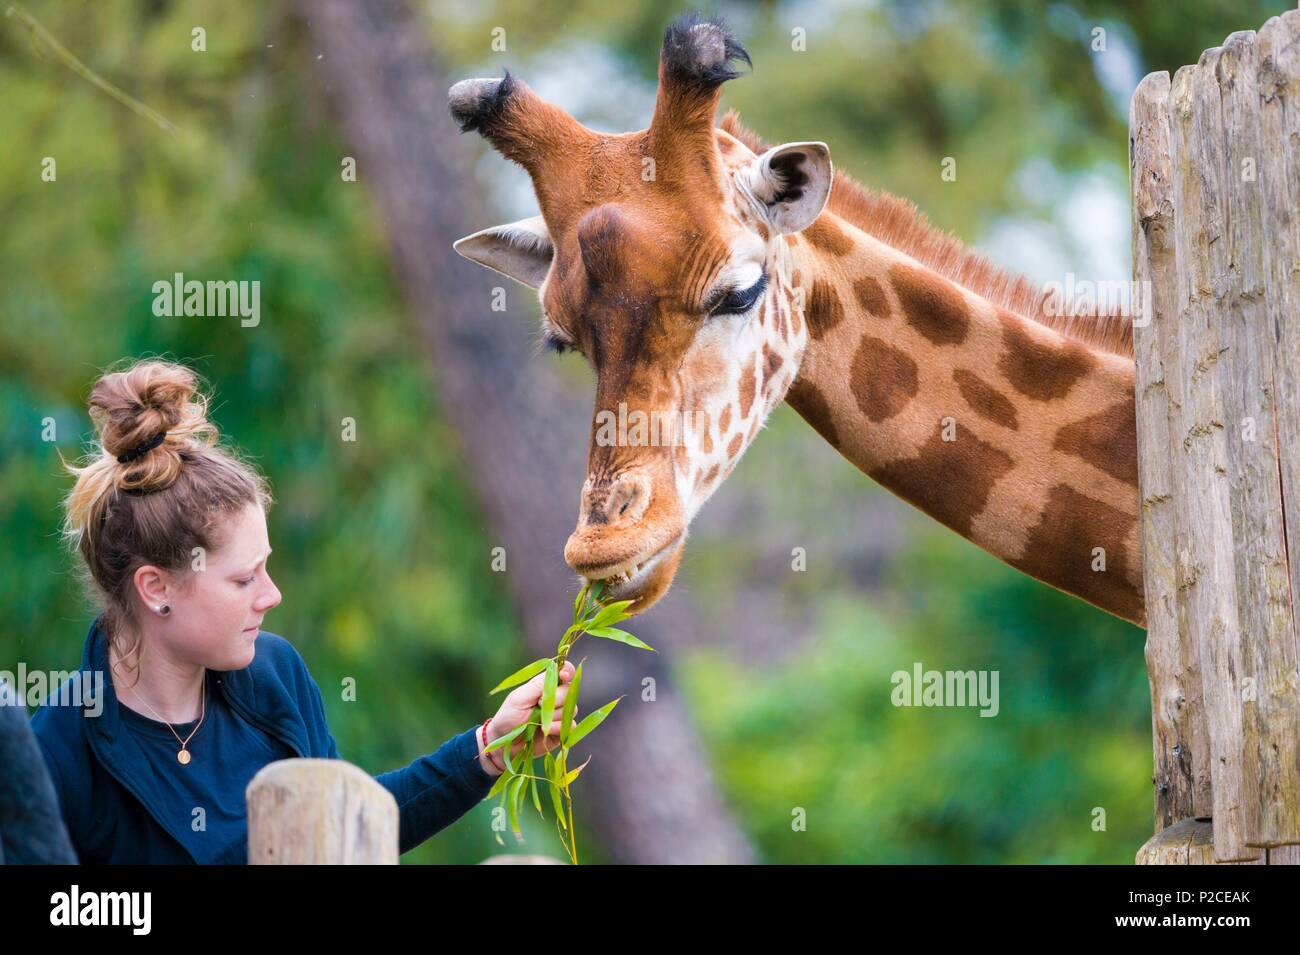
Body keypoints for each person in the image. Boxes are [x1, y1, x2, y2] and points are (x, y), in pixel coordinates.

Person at [30, 359, 574, 864]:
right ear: (156, 588)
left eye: (264, 568)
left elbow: (348, 829)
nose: (271, 596)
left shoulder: (274, 676)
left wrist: (488, 748)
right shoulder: (56, 751)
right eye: (243, 579)